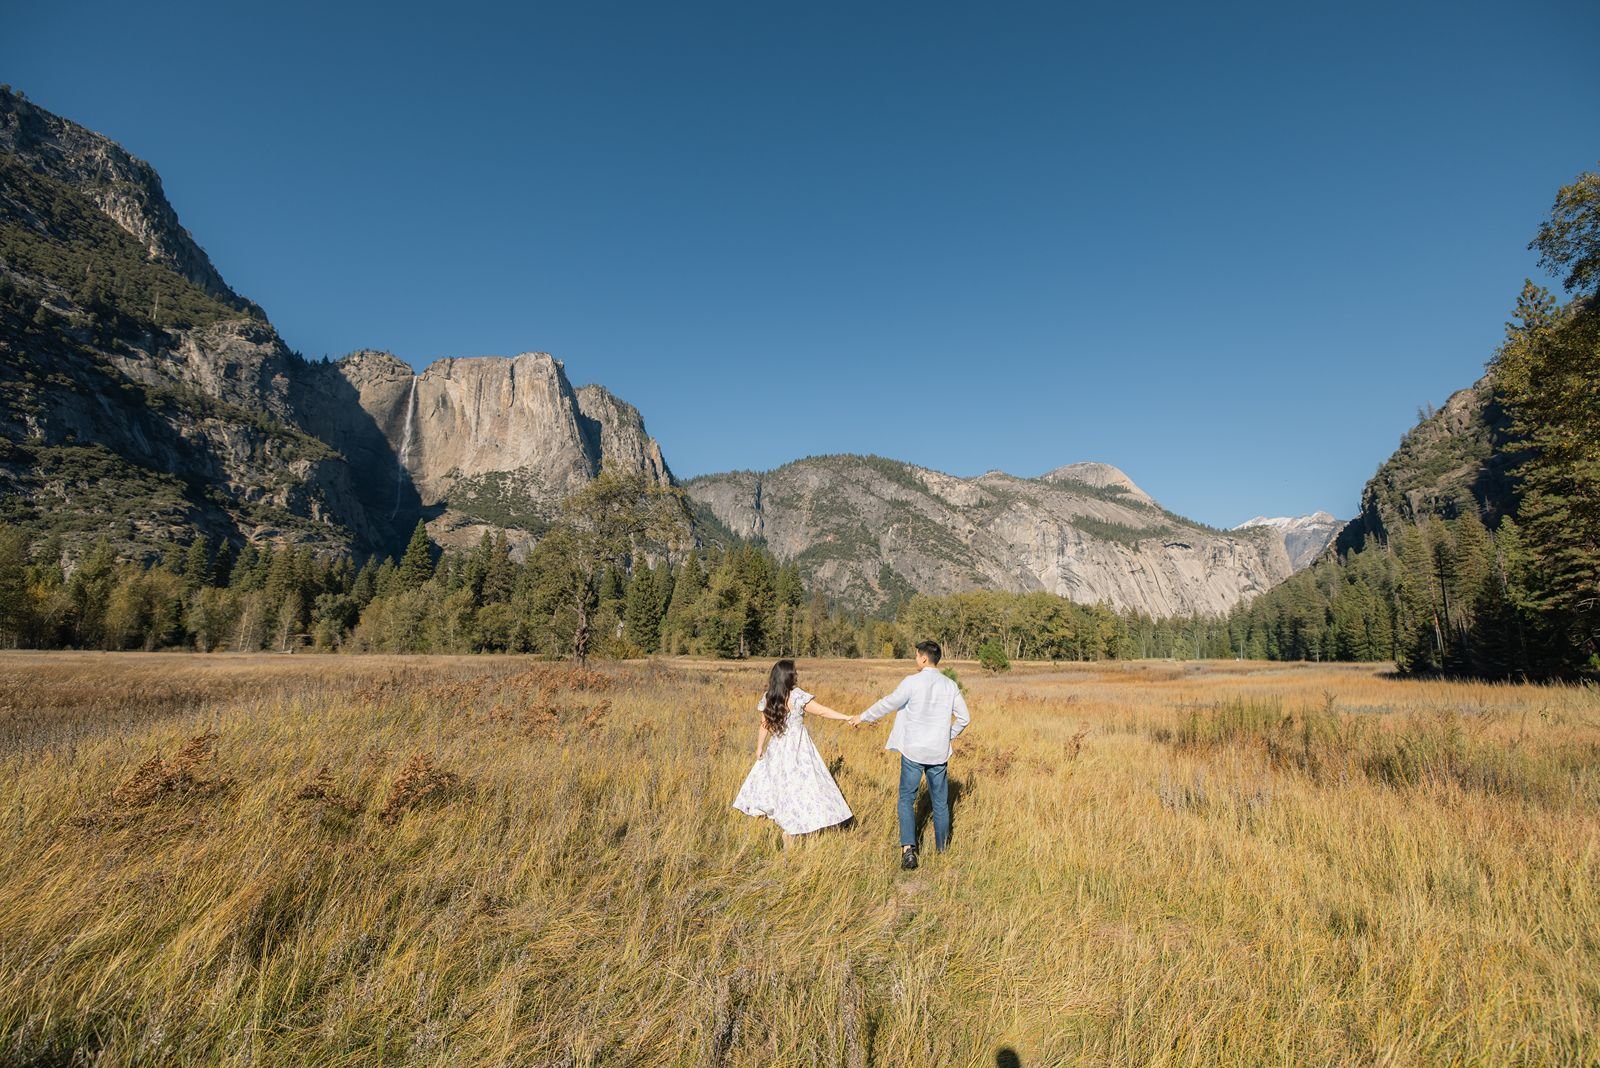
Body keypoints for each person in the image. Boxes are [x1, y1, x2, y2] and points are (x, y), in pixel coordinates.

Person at [850, 640, 969, 870]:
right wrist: (947, 736)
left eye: (916, 656)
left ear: (924, 658)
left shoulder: (911, 683)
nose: (915, 659)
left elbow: (888, 704)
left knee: (906, 799)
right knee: (941, 804)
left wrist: (861, 717)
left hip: (913, 751)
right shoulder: (949, 685)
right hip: (938, 753)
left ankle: (908, 850)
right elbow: (965, 718)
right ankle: (942, 851)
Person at [732, 658, 854, 845]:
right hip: (798, 747)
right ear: (787, 676)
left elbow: (764, 725)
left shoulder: (769, 696)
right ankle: (793, 827)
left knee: (782, 785)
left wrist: (759, 748)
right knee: (803, 786)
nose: (797, 674)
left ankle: (787, 822)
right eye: (794, 672)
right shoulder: (796, 696)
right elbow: (822, 711)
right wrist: (846, 717)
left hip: (778, 747)